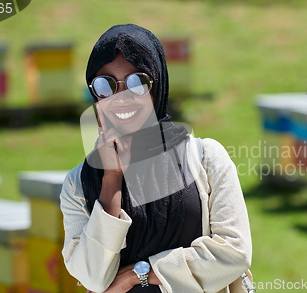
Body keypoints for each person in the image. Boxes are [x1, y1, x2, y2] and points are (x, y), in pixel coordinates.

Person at [60, 24, 252, 293]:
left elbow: (234, 254)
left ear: (157, 85)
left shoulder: (205, 158)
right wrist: (112, 180)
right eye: (106, 85)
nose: (122, 97)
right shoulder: (78, 184)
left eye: (137, 82)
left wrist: (139, 274)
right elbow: (92, 277)